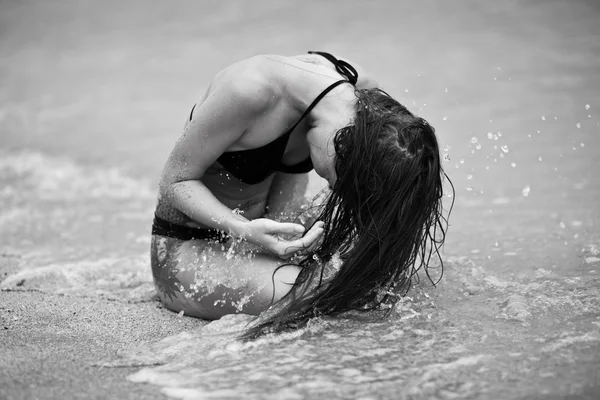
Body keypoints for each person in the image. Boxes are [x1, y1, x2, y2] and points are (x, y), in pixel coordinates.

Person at [151, 51, 452, 339]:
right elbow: (174, 181)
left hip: (264, 238)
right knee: (330, 298)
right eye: (341, 180)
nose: (335, 189)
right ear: (344, 144)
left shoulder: (359, 93)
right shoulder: (249, 90)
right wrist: (242, 229)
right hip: (189, 251)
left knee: (382, 284)